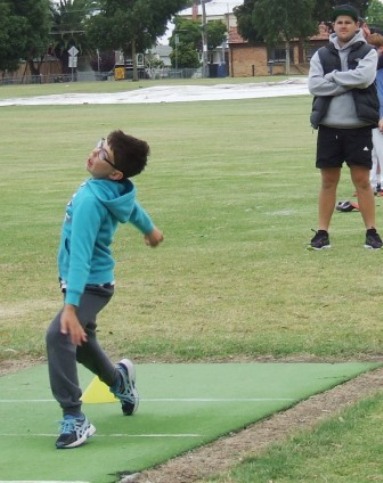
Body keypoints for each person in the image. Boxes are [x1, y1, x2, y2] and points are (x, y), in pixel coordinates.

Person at [46, 130, 164, 449]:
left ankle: (75, 418)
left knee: (58, 335)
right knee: (81, 344)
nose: (93, 153)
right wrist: (150, 230)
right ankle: (118, 381)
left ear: (115, 172)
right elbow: (132, 207)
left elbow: (81, 257)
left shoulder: (90, 201)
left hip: (88, 285)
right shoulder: (111, 189)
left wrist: (71, 307)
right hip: (89, 283)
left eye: (103, 153)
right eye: (99, 145)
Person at [308, 3, 383, 250]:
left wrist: (333, 78)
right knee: (328, 180)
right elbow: (315, 86)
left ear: (357, 25)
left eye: (348, 22)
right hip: (329, 126)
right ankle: (322, 233)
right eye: (339, 22)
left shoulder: (368, 52)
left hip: (358, 126)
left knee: (362, 180)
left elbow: (364, 79)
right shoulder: (321, 54)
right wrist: (348, 81)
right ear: (334, 26)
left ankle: (371, 232)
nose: (343, 26)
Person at [368, 33, 383, 194]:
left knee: (382, 151)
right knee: (370, 153)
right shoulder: (372, 69)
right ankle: (371, 185)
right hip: (370, 117)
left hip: (380, 117)